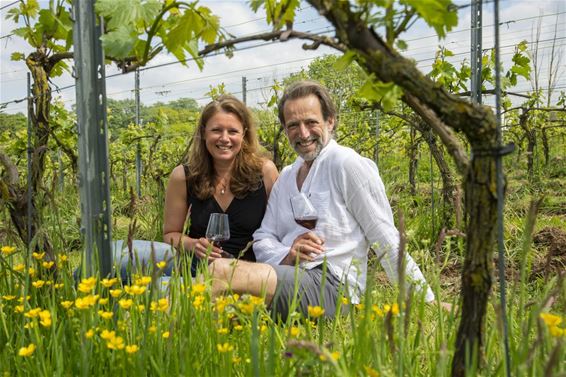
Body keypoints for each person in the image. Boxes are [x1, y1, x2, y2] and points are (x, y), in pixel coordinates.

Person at [208, 81, 435, 320]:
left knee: (222, 272)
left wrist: (424, 301)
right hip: (288, 276)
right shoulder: (286, 177)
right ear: (285, 130)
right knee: (222, 301)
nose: (303, 133)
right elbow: (263, 237)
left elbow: (385, 237)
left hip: (335, 286)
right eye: (293, 125)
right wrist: (289, 254)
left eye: (311, 122)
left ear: (330, 121)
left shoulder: (346, 164)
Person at [163, 95, 278, 274]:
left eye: (232, 131)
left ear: (244, 134)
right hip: (198, 271)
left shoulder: (265, 172)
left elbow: (281, 230)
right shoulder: (183, 177)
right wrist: (192, 244)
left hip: (251, 275)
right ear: (204, 132)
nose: (224, 138)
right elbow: (170, 234)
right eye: (216, 130)